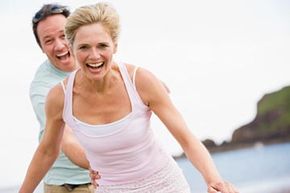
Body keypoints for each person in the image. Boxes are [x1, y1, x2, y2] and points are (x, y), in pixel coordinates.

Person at [20, 2, 239, 193]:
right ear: (73, 48)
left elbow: (186, 139)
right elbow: (48, 150)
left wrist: (214, 181)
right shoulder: (58, 96)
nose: (94, 56)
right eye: (84, 47)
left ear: (115, 45)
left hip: (164, 185)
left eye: (102, 46)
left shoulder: (141, 81)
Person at [30, 3, 98, 193]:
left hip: (104, 177)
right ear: (42, 48)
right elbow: (65, 140)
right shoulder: (42, 87)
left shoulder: (96, 59)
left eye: (63, 35)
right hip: (63, 183)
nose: (59, 45)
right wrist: (106, 164)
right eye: (49, 40)